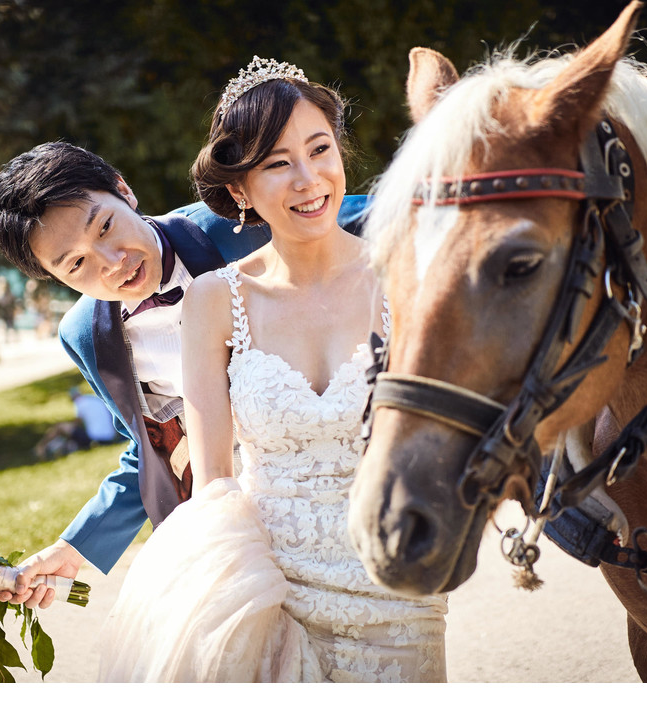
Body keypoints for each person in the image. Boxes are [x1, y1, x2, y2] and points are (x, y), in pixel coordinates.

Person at [98, 57, 447, 682]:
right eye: (277, 163)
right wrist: (236, 601)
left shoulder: (407, 273)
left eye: (320, 150)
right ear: (239, 190)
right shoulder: (213, 300)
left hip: (398, 588)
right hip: (271, 594)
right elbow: (214, 481)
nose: (308, 179)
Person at [0, 142, 368, 608]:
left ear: (125, 191)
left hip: (344, 497)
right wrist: (74, 547)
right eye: (77, 263)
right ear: (53, 277)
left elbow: (367, 214)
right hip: (235, 535)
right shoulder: (85, 335)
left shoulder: (240, 225)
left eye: (105, 227)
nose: (111, 261)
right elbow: (153, 446)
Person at [34, 388, 117, 460]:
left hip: (95, 439)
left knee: (61, 427)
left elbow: (77, 423)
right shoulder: (94, 399)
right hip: (110, 437)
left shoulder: (79, 403)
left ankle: (41, 447)